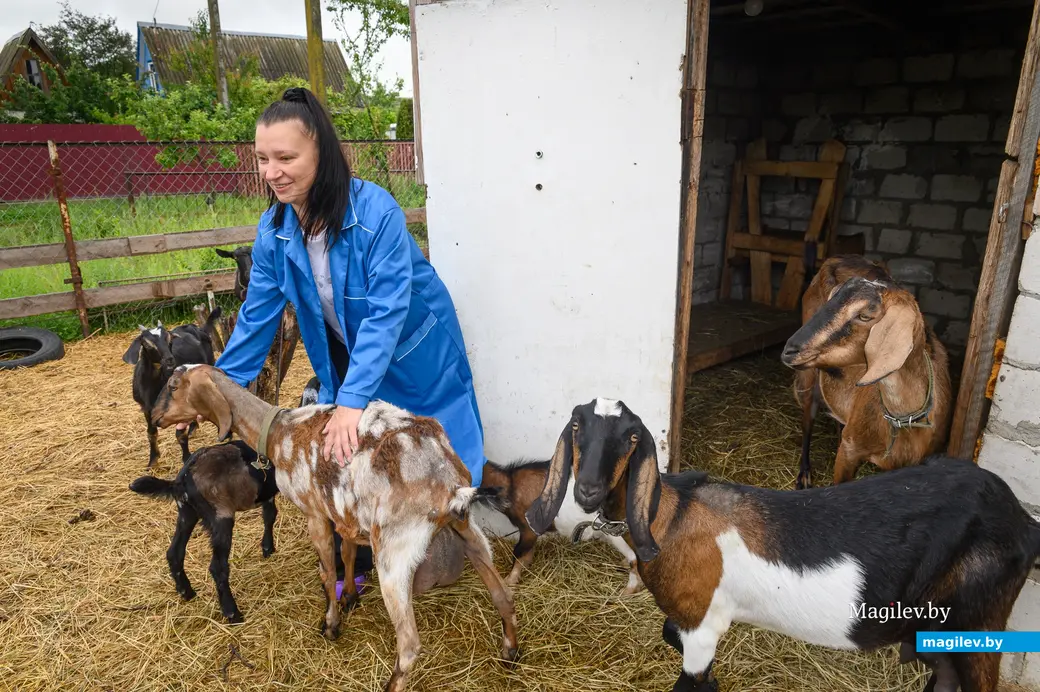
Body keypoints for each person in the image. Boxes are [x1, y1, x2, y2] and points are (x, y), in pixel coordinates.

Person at [198, 86, 485, 590]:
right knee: (357, 452)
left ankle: (438, 544)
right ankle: (371, 553)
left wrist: (352, 402)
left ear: (320, 152)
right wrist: (215, 387)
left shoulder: (375, 213)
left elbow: (387, 310)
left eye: (286, 157)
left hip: (412, 347)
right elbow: (256, 319)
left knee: (432, 449)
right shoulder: (274, 230)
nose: (272, 172)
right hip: (346, 350)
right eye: (262, 159)